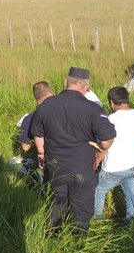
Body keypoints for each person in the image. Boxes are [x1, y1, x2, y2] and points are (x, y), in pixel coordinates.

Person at [30, 67, 116, 233]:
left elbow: (38, 134)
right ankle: (78, 241)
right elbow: (106, 140)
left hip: (55, 167)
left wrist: (41, 153)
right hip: (82, 168)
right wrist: (100, 147)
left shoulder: (45, 106)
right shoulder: (93, 109)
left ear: (65, 82)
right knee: (81, 206)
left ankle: (52, 236)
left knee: (56, 202)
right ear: (86, 86)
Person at [94, 86, 134, 225]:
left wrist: (96, 162)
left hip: (113, 167)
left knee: (98, 190)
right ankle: (130, 224)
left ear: (111, 102)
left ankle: (97, 221)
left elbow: (104, 146)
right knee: (131, 194)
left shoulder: (110, 119)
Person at [14, 81, 53, 193]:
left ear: (35, 97)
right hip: (73, 156)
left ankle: (43, 197)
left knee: (14, 163)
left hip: (46, 158)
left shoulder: (28, 119)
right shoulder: (65, 109)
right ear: (51, 92)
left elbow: (25, 147)